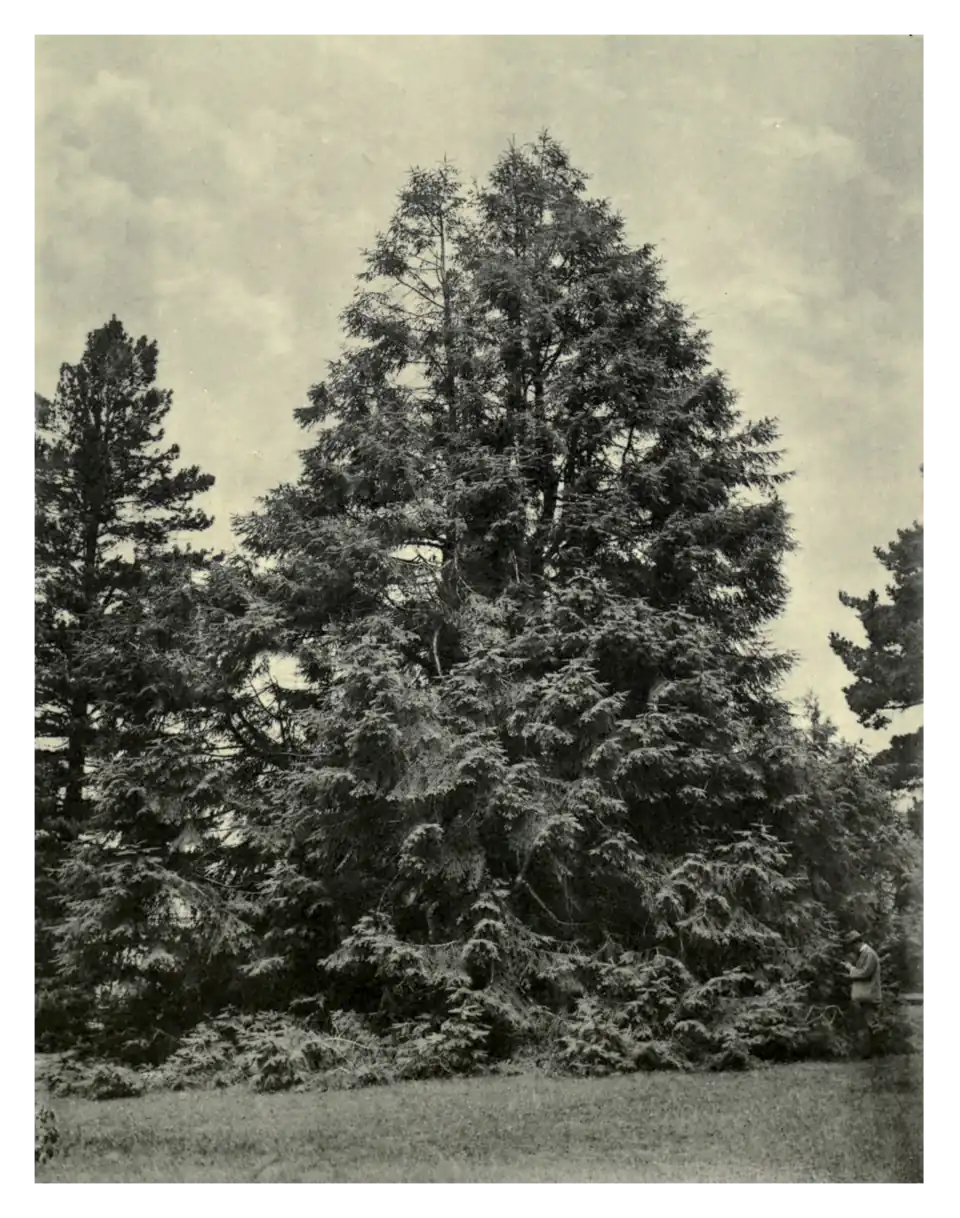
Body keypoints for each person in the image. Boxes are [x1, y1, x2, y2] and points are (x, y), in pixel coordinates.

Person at [843, 929, 882, 1058]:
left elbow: (864, 973)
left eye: (851, 945)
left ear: (856, 943)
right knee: (867, 1024)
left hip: (869, 995)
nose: (851, 949)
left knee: (872, 1024)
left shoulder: (869, 954)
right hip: (865, 995)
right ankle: (868, 1053)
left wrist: (850, 969)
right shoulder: (864, 953)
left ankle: (875, 1053)